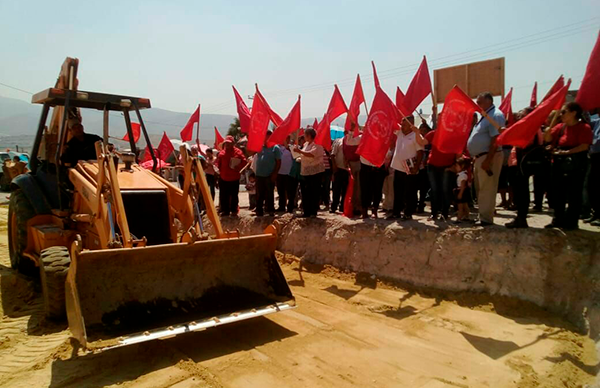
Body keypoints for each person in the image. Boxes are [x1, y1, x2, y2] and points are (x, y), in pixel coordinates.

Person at [543, 102, 593, 230]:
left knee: (574, 193)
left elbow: (584, 146)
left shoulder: (584, 128)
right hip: (559, 163)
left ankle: (571, 221)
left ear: (574, 113)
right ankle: (558, 219)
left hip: (575, 164)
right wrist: (548, 132)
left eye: (564, 112)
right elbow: (548, 139)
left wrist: (567, 152)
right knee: (557, 193)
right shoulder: (560, 127)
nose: (561, 114)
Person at [466, 92, 506, 226]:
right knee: (480, 188)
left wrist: (488, 160)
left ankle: (486, 219)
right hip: (480, 157)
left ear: (489, 101)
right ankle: (482, 216)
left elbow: (496, 139)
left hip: (489, 156)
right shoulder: (485, 117)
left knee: (487, 188)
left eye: (480, 102)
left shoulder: (496, 115)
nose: (477, 105)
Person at [389, 116, 424, 220]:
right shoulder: (400, 133)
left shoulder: (416, 136)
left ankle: (408, 213)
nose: (402, 126)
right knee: (397, 191)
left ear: (410, 124)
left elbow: (420, 153)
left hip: (410, 169)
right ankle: (396, 212)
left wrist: (416, 167)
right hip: (398, 167)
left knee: (409, 192)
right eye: (401, 124)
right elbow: (392, 124)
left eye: (404, 124)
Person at [424, 123, 456, 220]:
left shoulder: (453, 135)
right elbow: (422, 142)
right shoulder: (433, 133)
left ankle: (445, 213)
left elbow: (458, 150)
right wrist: (417, 132)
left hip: (447, 165)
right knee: (434, 190)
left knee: (445, 190)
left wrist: (455, 165)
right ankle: (434, 213)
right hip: (433, 165)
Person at [294, 128, 324, 218]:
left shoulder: (317, 144)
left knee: (314, 192)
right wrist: (299, 157)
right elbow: (304, 154)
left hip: (315, 172)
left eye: (305, 135)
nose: (304, 136)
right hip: (306, 172)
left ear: (309, 136)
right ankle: (306, 211)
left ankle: (313, 212)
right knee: (305, 192)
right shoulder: (306, 144)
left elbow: (311, 154)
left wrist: (300, 152)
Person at [215, 135, 247, 217]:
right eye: (226, 143)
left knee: (234, 196)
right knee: (223, 195)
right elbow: (217, 164)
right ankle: (225, 211)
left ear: (233, 143)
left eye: (229, 143)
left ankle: (234, 210)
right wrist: (216, 169)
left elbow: (244, 162)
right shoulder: (221, 153)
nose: (227, 145)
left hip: (234, 178)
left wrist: (238, 167)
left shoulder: (238, 152)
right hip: (223, 178)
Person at [254, 130, 281, 217]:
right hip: (259, 174)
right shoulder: (260, 147)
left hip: (269, 174)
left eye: (267, 136)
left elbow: (278, 162)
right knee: (259, 194)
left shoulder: (275, 148)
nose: (265, 138)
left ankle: (270, 210)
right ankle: (259, 210)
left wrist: (275, 173)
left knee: (269, 193)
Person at [584, 110, 600, 226]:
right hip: (594, 157)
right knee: (592, 186)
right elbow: (588, 123)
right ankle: (596, 213)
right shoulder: (597, 121)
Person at [343, 124, 362, 215]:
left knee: (358, 187)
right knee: (351, 187)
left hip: (360, 163)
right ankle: (350, 206)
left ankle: (358, 206)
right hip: (351, 164)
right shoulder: (347, 139)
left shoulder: (361, 137)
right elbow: (346, 147)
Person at [330, 135, 349, 213]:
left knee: (345, 190)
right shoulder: (338, 141)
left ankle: (342, 207)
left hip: (347, 169)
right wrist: (334, 166)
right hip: (338, 168)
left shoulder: (351, 142)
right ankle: (334, 206)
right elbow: (332, 155)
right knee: (336, 189)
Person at [276, 136, 294, 213]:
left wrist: (288, 148)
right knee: (280, 191)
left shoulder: (292, 148)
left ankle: (290, 207)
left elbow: (295, 156)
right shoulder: (277, 148)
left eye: (287, 138)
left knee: (290, 191)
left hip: (289, 173)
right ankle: (281, 206)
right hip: (279, 172)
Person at [449, 158, 471, 223]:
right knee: (465, 205)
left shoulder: (462, 176)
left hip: (461, 191)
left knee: (460, 206)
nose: (455, 167)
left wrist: (460, 193)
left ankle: (459, 218)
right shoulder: (463, 174)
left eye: (457, 166)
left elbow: (463, 185)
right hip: (463, 191)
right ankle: (466, 216)